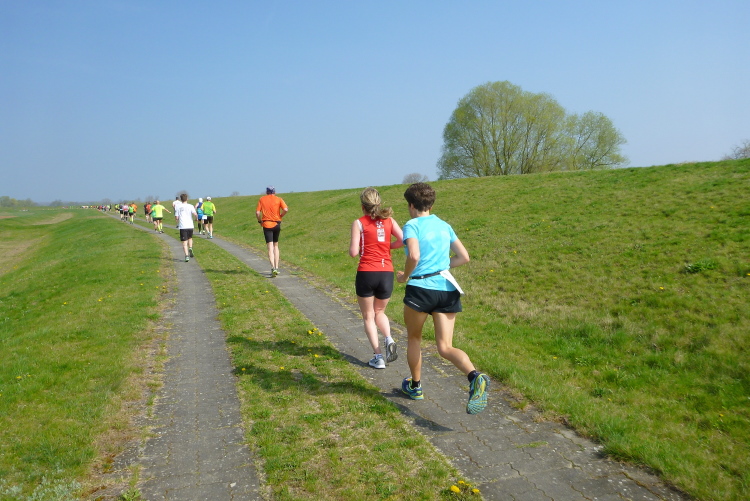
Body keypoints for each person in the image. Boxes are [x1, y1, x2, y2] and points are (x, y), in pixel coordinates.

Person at [395, 182, 489, 415]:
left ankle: (415, 387)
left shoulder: (411, 225)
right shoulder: (444, 225)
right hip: (446, 288)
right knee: (445, 347)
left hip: (420, 288)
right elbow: (463, 257)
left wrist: (404, 276)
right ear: (431, 204)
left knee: (414, 339)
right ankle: (474, 376)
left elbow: (414, 255)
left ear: (411, 205)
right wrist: (441, 265)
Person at [348, 188, 403, 369]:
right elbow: (403, 240)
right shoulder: (389, 220)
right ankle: (389, 338)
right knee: (379, 312)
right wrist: (387, 246)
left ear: (362, 206)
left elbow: (353, 252)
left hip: (367, 272)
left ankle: (378, 357)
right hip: (386, 272)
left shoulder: (358, 223)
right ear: (379, 204)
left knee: (368, 316)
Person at [256, 186, 288, 277]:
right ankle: (277, 267)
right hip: (277, 224)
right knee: (276, 246)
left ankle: (273, 268)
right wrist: (281, 216)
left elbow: (257, 213)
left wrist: (260, 221)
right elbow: (285, 209)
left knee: (270, 247)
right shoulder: (279, 199)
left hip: (266, 224)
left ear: (266, 192)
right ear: (274, 192)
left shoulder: (262, 199)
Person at [175, 194, 198, 262]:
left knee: (184, 242)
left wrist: (177, 220)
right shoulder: (190, 206)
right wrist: (196, 219)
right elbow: (195, 214)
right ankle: (190, 247)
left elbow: (176, 217)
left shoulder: (178, 206)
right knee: (190, 238)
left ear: (181, 199)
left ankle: (187, 256)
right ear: (187, 199)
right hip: (190, 225)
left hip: (183, 226)